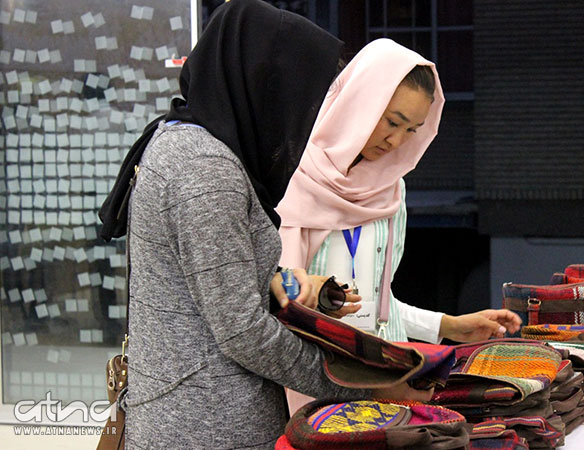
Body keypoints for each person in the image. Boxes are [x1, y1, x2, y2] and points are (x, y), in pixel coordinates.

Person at [98, 3, 430, 449]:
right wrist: (365, 388)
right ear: (262, 85)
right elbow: (242, 331)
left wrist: (287, 284)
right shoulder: (205, 170)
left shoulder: (185, 143)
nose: (305, 112)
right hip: (206, 428)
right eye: (299, 92)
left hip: (197, 417)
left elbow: (211, 285)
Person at [277, 38, 522, 346]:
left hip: (383, 363)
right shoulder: (292, 175)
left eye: (411, 130)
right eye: (392, 122)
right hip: (315, 365)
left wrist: (449, 326)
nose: (396, 141)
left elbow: (376, 304)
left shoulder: (392, 189)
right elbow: (275, 299)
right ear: (357, 102)